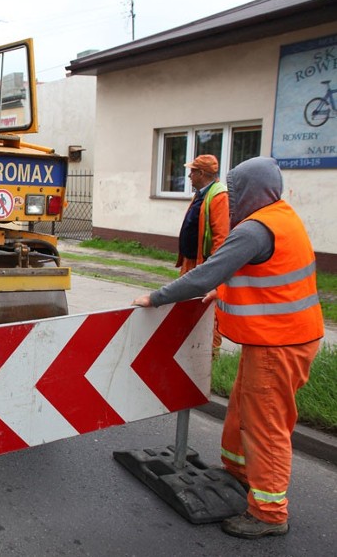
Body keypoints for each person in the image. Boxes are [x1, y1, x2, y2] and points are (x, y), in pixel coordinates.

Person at [133, 156, 323, 539]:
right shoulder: (281, 216)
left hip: (278, 342)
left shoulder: (255, 229)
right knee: (241, 409)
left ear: (250, 191)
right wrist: (221, 291)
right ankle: (238, 472)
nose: (231, 198)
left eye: (235, 190)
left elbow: (207, 271)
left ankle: (269, 512)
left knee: (265, 425)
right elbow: (265, 275)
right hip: (281, 337)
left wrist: (157, 297)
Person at [176, 154, 229, 356]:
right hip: (191, 262)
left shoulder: (218, 196)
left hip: (204, 265)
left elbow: (221, 238)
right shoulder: (202, 193)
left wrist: (214, 274)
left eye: (192, 171)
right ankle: (191, 349)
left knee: (208, 311)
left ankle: (209, 354)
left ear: (201, 173)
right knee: (186, 305)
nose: (189, 175)